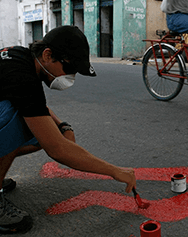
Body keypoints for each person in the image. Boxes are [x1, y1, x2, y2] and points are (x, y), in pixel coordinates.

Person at [0, 26, 136, 234]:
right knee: (16, 120)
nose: (69, 77)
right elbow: (57, 150)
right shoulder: (22, 77)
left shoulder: (22, 59)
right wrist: (116, 171)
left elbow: (37, 108)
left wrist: (63, 126)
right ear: (47, 55)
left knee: (37, 127)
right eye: (69, 70)